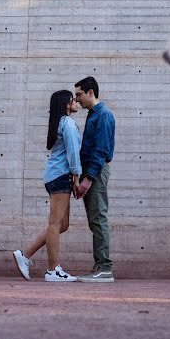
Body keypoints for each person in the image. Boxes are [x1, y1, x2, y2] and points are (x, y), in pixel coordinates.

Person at [12, 90, 83, 282]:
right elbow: (73, 153)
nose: (76, 101)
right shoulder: (67, 123)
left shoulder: (60, 122)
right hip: (61, 176)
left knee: (62, 225)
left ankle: (24, 254)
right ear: (67, 104)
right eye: (73, 99)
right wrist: (77, 178)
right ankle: (52, 270)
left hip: (57, 176)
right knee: (55, 224)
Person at [73, 76, 116, 283]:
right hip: (90, 171)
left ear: (91, 93)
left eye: (79, 94)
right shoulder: (92, 115)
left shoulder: (104, 115)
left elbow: (100, 150)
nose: (77, 99)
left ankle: (105, 268)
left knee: (99, 219)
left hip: (95, 172)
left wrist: (88, 178)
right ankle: (99, 266)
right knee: (95, 221)